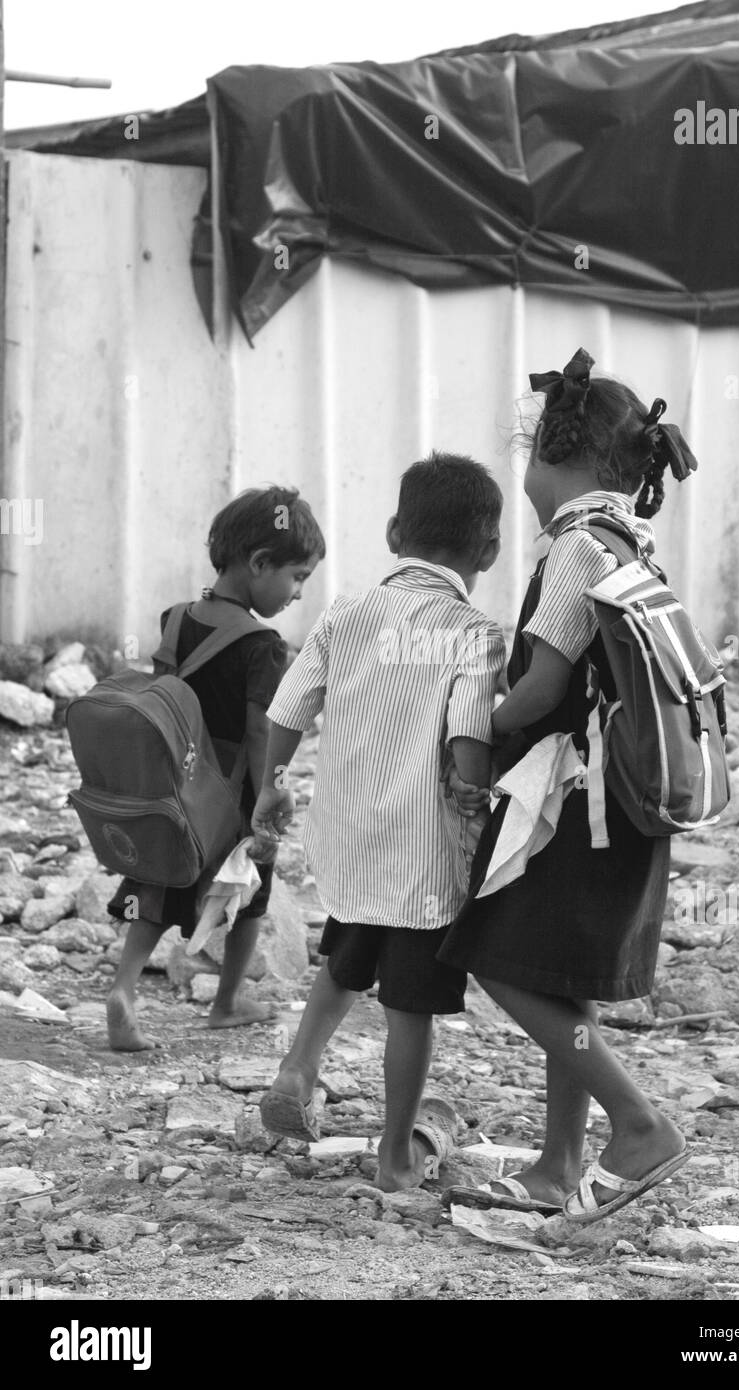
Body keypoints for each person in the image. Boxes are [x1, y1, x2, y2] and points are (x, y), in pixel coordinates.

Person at [438, 349, 694, 1221]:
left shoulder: (576, 547)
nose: (528, 485)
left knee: (493, 957)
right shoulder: (630, 542)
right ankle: (555, 1165)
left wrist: (474, 722)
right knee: (554, 971)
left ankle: (637, 1121)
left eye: (531, 462)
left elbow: (544, 689)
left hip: (569, 809)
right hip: (618, 806)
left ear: (555, 453)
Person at [251, 453, 505, 1192]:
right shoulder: (474, 634)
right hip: (423, 849)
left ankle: (298, 1070)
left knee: (343, 959)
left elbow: (289, 709)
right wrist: (476, 794)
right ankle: (395, 1153)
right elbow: (467, 745)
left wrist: (271, 785)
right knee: (411, 1007)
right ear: (487, 551)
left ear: (395, 530)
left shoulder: (344, 614)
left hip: (350, 836)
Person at [105, 486, 325, 1051]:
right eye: (297, 576)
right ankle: (226, 1002)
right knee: (251, 888)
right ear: (258, 564)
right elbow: (260, 731)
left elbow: (165, 695)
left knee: (158, 882)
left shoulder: (177, 618)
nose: (299, 592)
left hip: (175, 782)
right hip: (232, 789)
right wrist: (271, 794)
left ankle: (125, 988)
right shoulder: (264, 646)